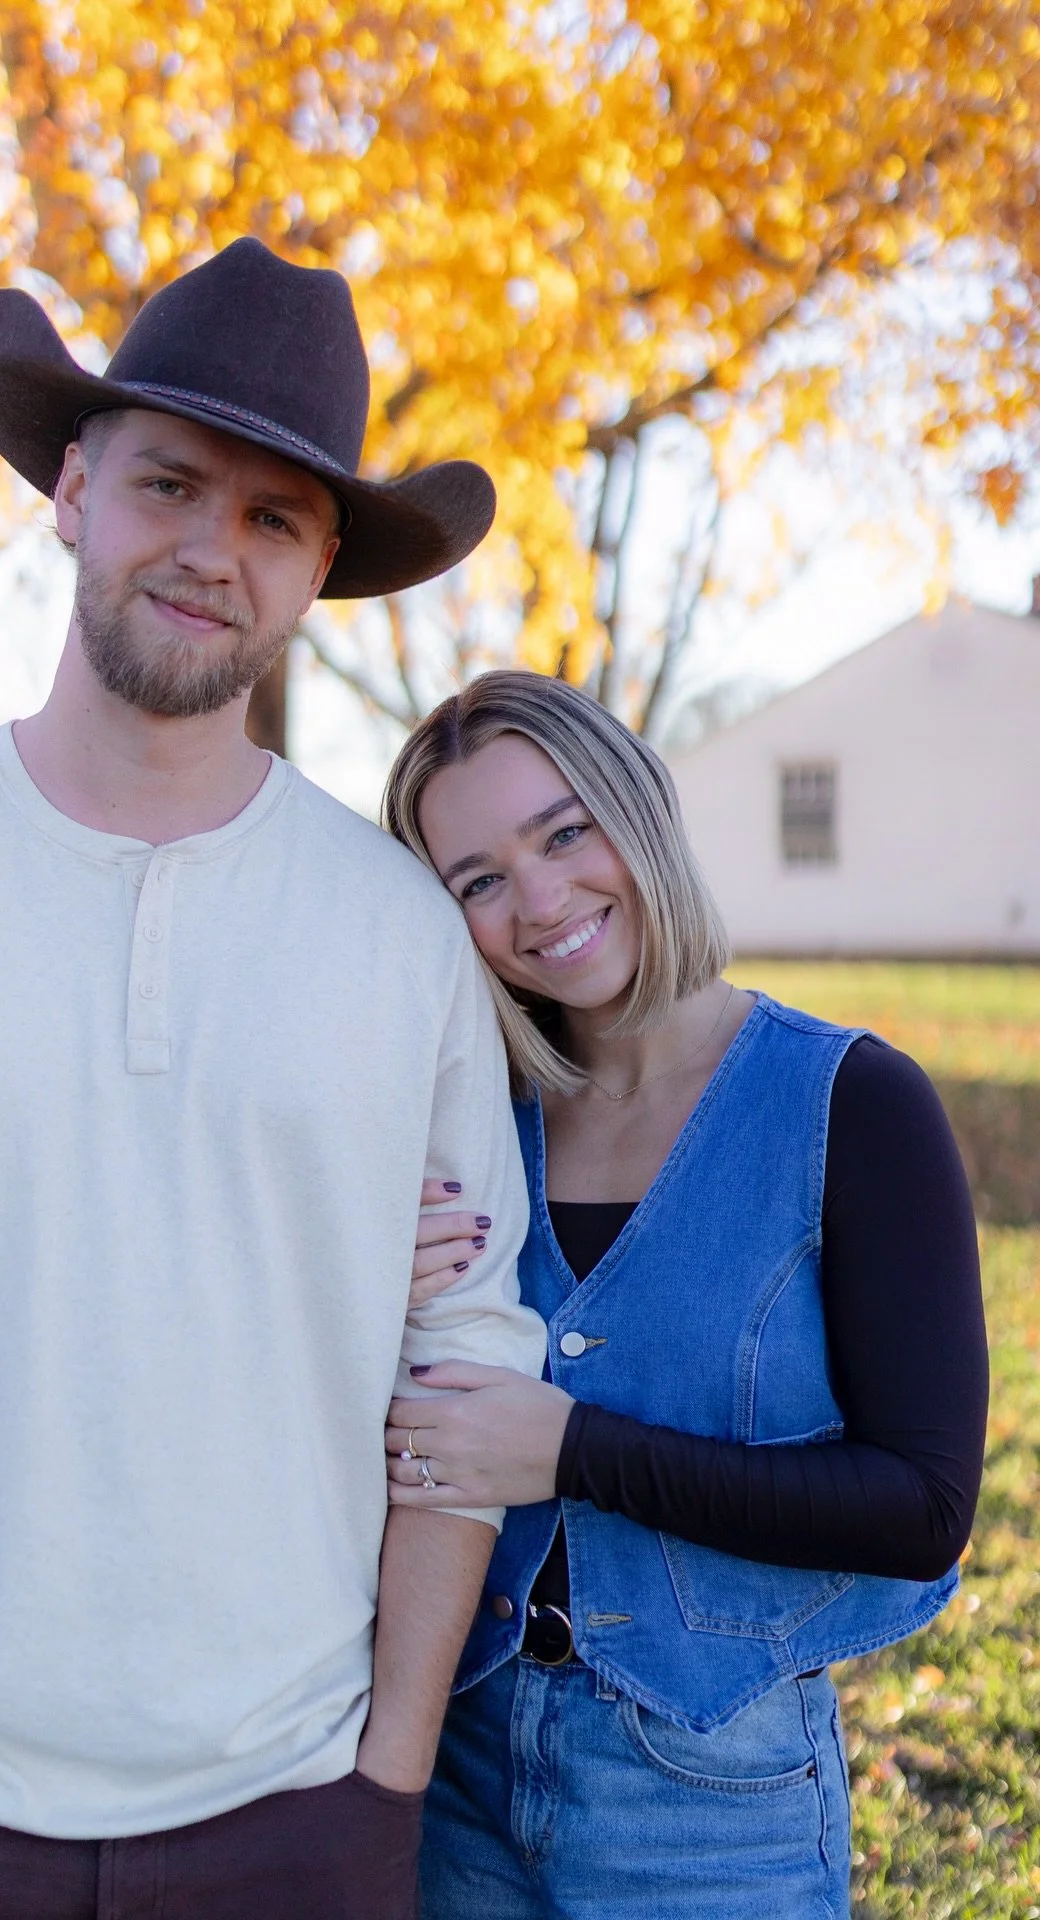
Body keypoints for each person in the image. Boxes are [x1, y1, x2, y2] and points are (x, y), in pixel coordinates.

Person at [0, 241, 547, 1920]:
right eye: (168, 484)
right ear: (73, 490)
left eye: (273, 517)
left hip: (294, 1806)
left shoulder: (397, 933)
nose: (212, 550)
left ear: (318, 572)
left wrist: (390, 1770)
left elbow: (466, 1352)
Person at [380, 670, 988, 1919]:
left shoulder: (854, 1105)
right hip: (457, 1771)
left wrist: (575, 1451)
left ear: (639, 808)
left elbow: (922, 1508)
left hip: (713, 1806)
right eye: (478, 880)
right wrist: (359, 1273)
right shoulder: (460, 1124)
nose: (540, 901)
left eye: (564, 833)